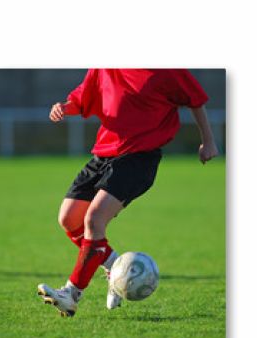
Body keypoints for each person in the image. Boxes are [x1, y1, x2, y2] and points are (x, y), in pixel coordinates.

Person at [37, 69, 218, 317]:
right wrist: (64, 107)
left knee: (94, 219)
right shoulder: (103, 66)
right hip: (104, 153)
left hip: (139, 158)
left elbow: (196, 100)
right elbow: (84, 97)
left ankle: (71, 294)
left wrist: (208, 141)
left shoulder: (165, 69)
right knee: (69, 218)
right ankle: (114, 266)